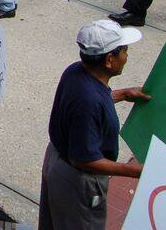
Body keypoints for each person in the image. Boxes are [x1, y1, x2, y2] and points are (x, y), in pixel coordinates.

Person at [37, 20, 149, 230]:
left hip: (56, 161)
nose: (127, 56)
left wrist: (123, 94)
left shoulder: (76, 71)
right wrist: (135, 171)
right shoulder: (89, 101)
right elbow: (83, 160)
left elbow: (88, 106)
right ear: (109, 60)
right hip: (77, 181)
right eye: (124, 51)